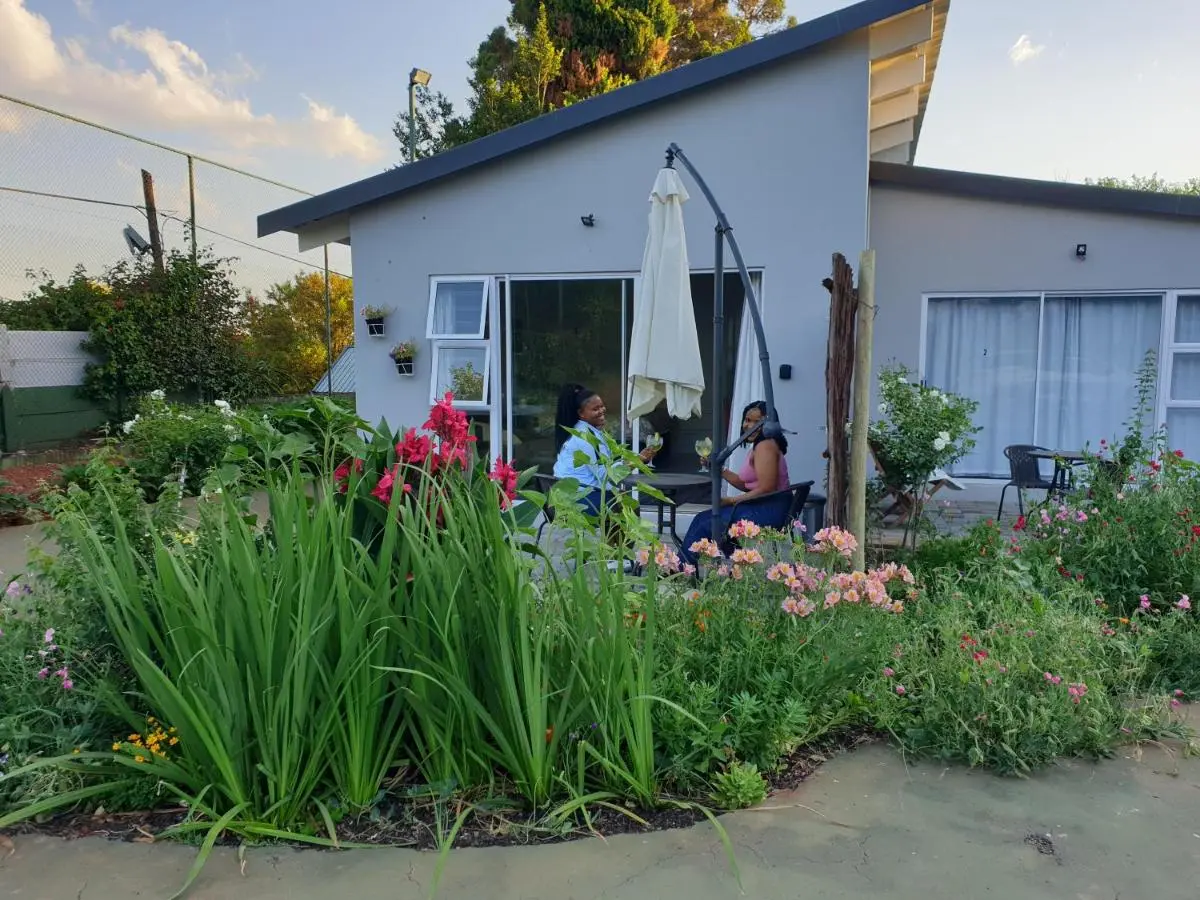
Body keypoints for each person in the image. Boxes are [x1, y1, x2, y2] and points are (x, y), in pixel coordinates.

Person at [680, 400, 791, 564]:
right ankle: (739, 565)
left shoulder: (765, 446)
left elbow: (767, 488)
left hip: (769, 510)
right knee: (707, 520)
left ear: (768, 423)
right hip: (764, 506)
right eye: (747, 420)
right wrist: (719, 469)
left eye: (757, 421)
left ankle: (680, 569)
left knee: (704, 521)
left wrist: (730, 500)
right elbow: (746, 484)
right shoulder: (761, 445)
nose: (749, 425)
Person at [552, 384, 656, 520]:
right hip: (578, 500)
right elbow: (604, 476)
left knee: (624, 500)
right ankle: (617, 542)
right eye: (595, 409)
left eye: (602, 406)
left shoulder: (582, 431)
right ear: (581, 414)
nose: (602, 411)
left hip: (569, 496)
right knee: (627, 506)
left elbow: (602, 469)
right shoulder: (585, 438)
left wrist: (633, 459)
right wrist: (637, 461)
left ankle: (614, 541)